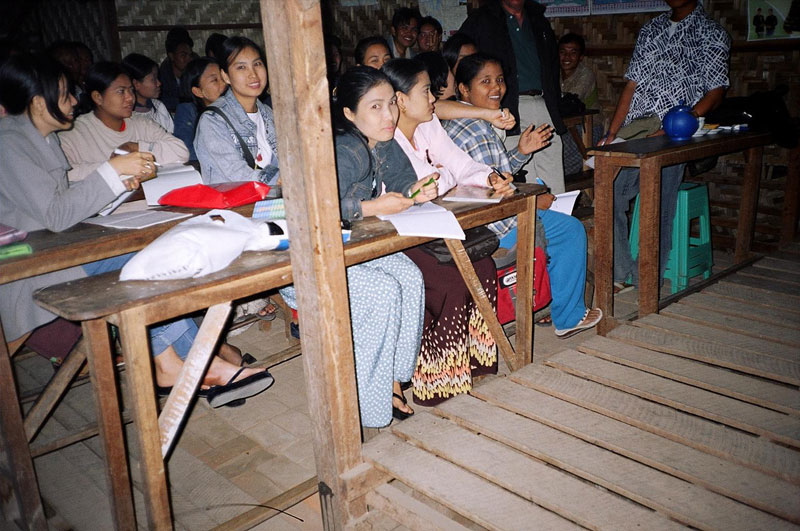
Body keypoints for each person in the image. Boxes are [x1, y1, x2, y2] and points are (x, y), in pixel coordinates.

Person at [0, 55, 271, 407]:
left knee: (162, 249)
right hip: (27, 269)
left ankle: (191, 358)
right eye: (65, 94)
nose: (72, 101)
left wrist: (116, 182)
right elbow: (55, 214)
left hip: (63, 251)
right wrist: (111, 173)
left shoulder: (41, 138)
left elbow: (64, 205)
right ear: (38, 102)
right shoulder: (12, 142)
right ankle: (190, 360)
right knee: (152, 260)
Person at [282, 67, 438, 426]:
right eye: (375, 107)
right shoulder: (345, 149)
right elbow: (311, 208)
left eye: (391, 105)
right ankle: (369, 405)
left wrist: (417, 192)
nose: (389, 116)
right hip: (300, 257)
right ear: (350, 114)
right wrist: (371, 207)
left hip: (344, 245)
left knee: (409, 277)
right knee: (382, 292)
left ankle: (394, 380)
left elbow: (403, 181)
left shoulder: (382, 140)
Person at [383, 58, 514, 406]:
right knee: (451, 280)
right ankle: (438, 381)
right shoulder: (385, 136)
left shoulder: (429, 126)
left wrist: (487, 177)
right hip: (400, 236)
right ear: (400, 99)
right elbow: (424, 183)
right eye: (425, 91)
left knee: (483, 267)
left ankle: (474, 363)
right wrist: (442, 175)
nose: (433, 98)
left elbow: (458, 164)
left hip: (436, 226)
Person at [444, 53, 602, 337]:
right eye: (486, 82)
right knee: (570, 230)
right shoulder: (475, 129)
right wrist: (531, 202)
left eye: (500, 80)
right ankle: (567, 317)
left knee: (556, 221)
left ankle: (545, 302)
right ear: (464, 90)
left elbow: (492, 173)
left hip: (484, 218)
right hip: (495, 225)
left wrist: (521, 152)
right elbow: (494, 190)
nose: (496, 88)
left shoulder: (471, 122)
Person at [600, 0, 730, 290]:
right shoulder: (651, 30)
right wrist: (613, 131)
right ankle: (620, 272)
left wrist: (680, 122)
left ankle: (649, 278)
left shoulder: (711, 33)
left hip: (674, 132)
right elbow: (631, 85)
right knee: (610, 193)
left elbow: (716, 89)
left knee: (658, 202)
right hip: (636, 129)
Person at [460, 0, 567, 194]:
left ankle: (559, 217)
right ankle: (531, 223)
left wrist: (554, 102)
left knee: (553, 172)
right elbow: (462, 58)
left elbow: (552, 66)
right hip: (508, 107)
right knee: (522, 178)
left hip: (543, 103)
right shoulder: (482, 20)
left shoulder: (537, 19)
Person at [59, 62, 189, 183]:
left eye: (131, 90)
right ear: (98, 97)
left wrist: (135, 147)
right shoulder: (74, 133)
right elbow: (65, 175)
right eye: (121, 91)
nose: (130, 97)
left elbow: (181, 151)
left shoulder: (141, 123)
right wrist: (118, 166)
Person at [194, 37, 279, 184]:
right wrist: (283, 179)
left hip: (275, 200)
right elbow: (237, 174)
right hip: (236, 205)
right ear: (225, 76)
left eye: (257, 64)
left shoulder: (268, 113)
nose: (253, 74)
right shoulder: (213, 120)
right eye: (241, 67)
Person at [174, 57, 226, 160]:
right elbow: (187, 151)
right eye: (215, 80)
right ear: (198, 91)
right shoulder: (187, 111)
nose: (224, 84)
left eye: (223, 78)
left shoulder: (235, 105)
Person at [122, 53, 173, 132]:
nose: (159, 83)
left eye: (157, 78)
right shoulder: (127, 115)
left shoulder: (159, 107)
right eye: (153, 79)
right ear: (136, 84)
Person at [558, 33, 598, 109]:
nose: (567, 56)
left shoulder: (586, 75)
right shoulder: (554, 73)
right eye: (562, 52)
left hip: (587, 119)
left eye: (573, 53)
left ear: (581, 57)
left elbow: (570, 102)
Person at [159, 27, 194, 112]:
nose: (188, 59)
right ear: (171, 56)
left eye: (190, 55)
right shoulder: (162, 75)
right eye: (183, 55)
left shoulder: (195, 70)